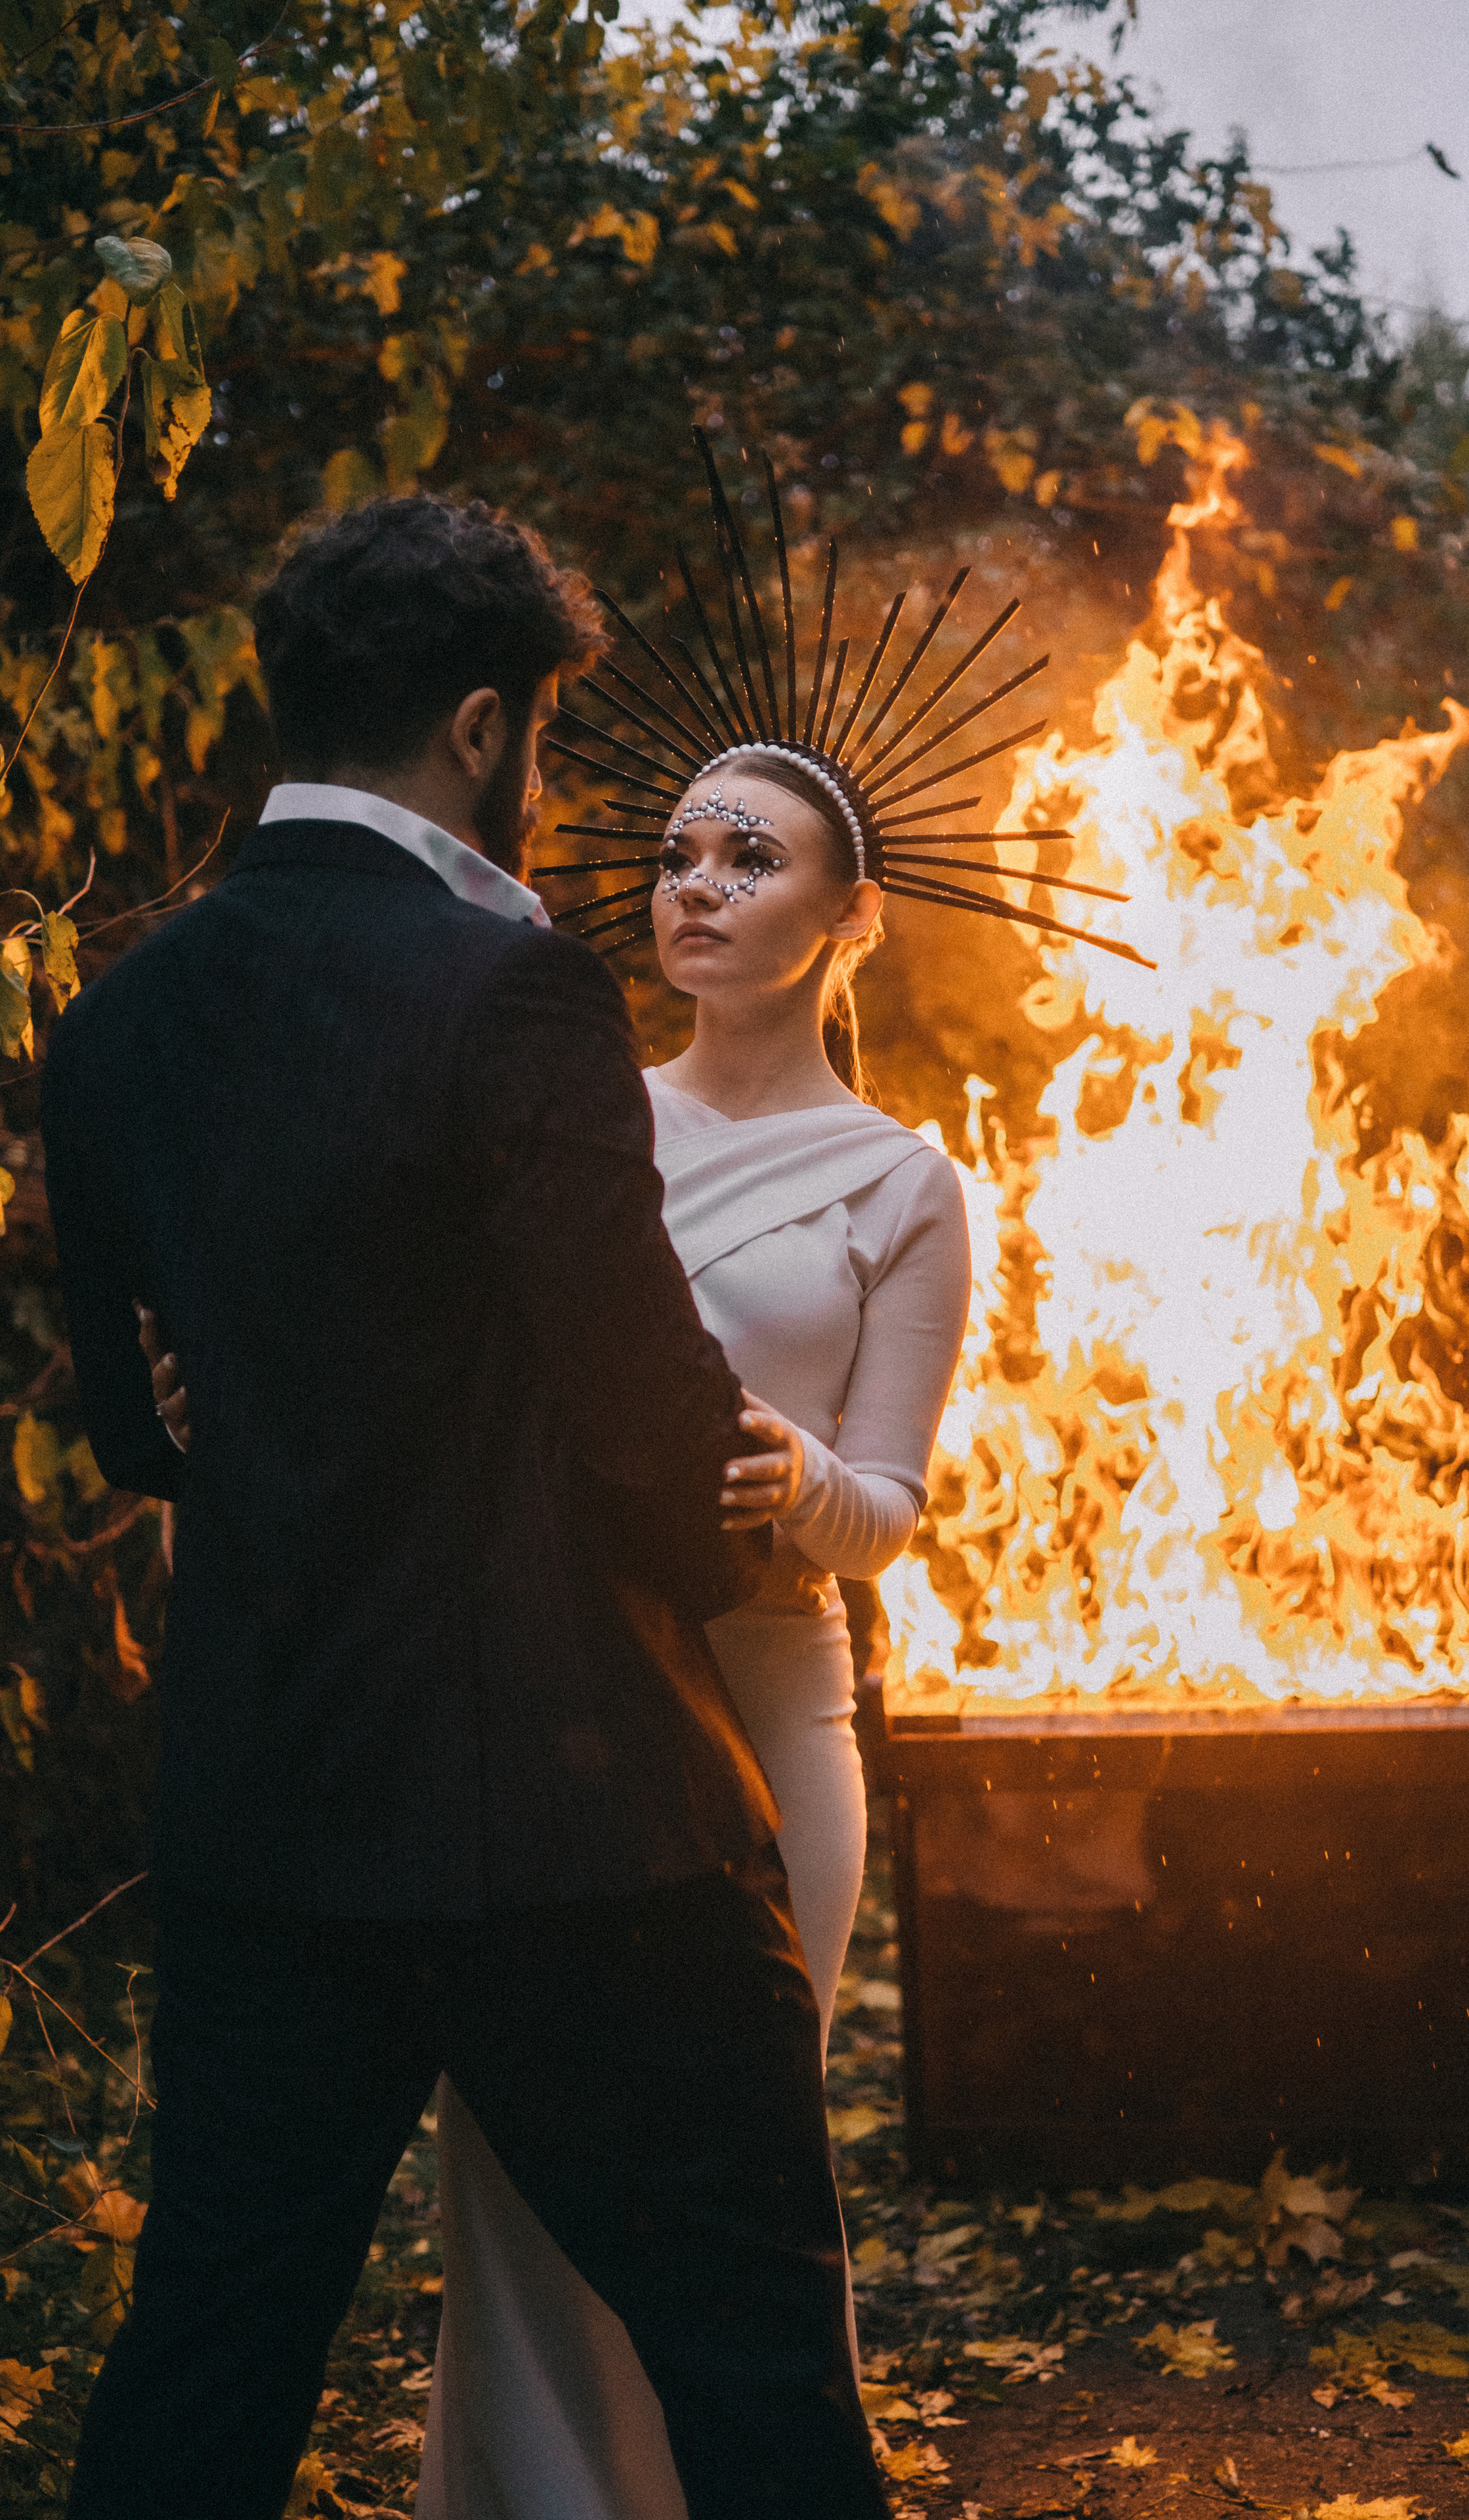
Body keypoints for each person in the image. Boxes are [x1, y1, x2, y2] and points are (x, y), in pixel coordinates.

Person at [43, 492, 889, 2520]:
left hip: (268, 1824)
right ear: (488, 728)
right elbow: (646, 1417)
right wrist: (747, 1549)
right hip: (578, 1832)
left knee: (210, 2366)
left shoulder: (111, 1030)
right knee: (759, 2362)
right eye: (549, 751)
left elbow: (144, 1433)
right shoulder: (512, 996)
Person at [415, 750, 975, 2520]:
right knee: (516, 2175)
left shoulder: (905, 1186)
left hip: (766, 1706)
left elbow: (888, 1514)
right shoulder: (580, 1116)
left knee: (722, 2203)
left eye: (754, 856)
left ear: (850, 916)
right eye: (678, 855)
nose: (699, 884)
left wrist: (789, 1472)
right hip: (542, 1690)